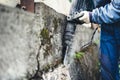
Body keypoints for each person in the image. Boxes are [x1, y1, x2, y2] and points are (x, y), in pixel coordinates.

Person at [79, 0, 120, 80]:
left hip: (114, 15)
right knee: (107, 68)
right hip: (107, 26)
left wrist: (92, 16)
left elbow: (117, 8)